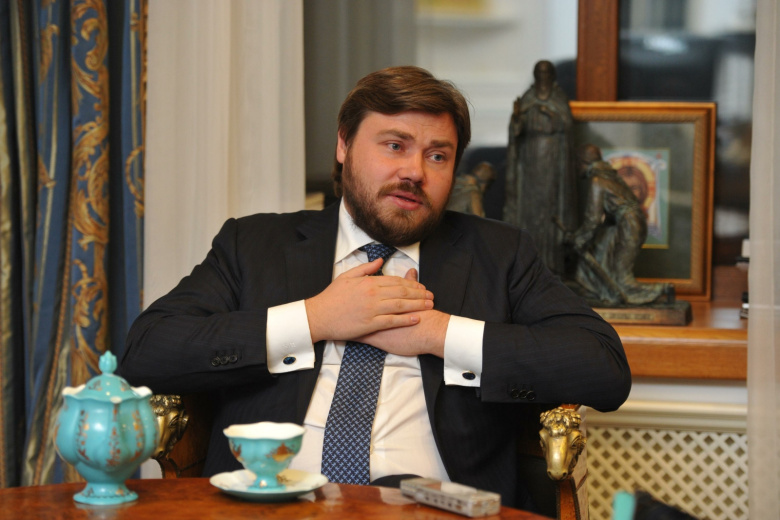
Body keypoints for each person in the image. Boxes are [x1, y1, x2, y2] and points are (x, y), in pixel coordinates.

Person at [119, 66, 630, 510]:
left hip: (434, 511)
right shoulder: (256, 245)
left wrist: (438, 334)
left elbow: (603, 368)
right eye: (394, 146)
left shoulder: (498, 254)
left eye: (437, 156)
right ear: (343, 145)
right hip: (270, 509)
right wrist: (314, 319)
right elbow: (146, 351)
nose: (414, 172)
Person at [565, 144, 671, 305]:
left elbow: (593, 219)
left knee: (621, 278)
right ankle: (597, 291)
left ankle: (662, 289)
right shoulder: (610, 177)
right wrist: (579, 237)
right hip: (623, 223)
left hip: (629, 225)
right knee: (597, 253)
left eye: (576, 163)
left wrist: (579, 239)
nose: (575, 167)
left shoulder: (598, 181)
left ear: (583, 162)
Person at [504, 60, 577, 276]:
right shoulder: (528, 98)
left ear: (552, 76)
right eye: (539, 73)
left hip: (553, 158)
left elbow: (567, 125)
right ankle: (528, 261)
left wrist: (550, 113)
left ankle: (552, 263)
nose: (543, 76)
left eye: (546, 73)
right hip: (530, 158)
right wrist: (517, 118)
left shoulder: (558, 98)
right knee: (530, 207)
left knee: (550, 206)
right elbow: (516, 131)